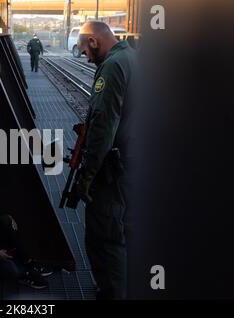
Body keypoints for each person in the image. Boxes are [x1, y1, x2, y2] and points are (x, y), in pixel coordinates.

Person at [76, 21, 136, 299]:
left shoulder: (112, 66)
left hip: (113, 168)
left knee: (106, 234)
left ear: (94, 41)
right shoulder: (132, 57)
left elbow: (102, 124)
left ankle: (111, 292)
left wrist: (87, 174)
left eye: (85, 51)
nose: (86, 58)